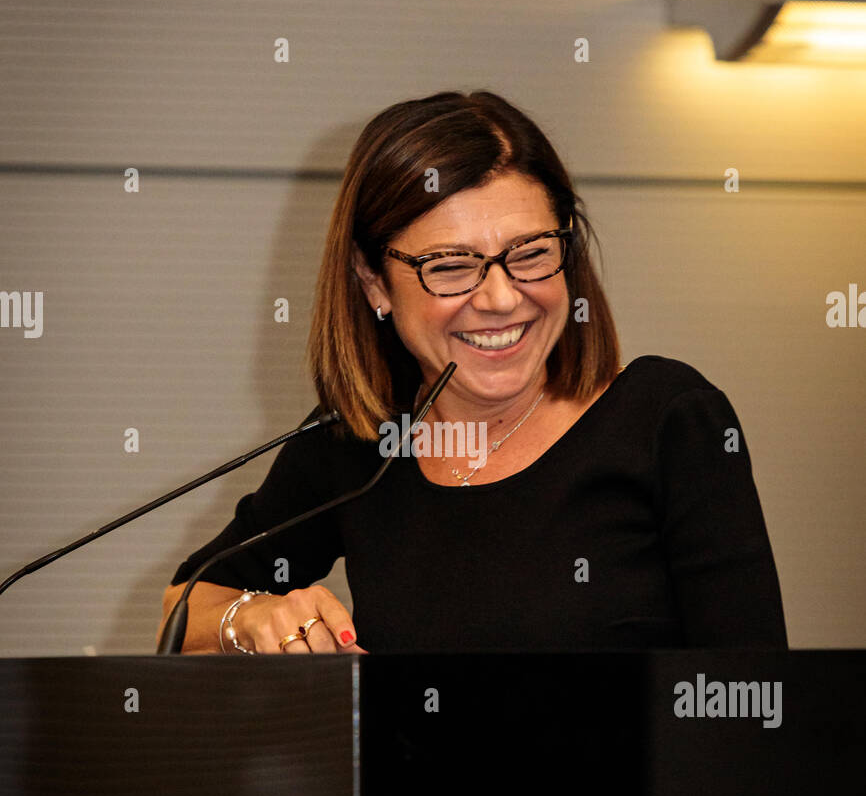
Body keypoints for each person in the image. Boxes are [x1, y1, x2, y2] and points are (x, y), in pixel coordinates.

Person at [158, 90, 787, 655]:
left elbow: (753, 706)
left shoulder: (666, 418)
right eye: (452, 266)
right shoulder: (360, 440)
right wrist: (254, 617)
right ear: (373, 280)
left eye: (532, 254)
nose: (500, 298)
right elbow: (185, 605)